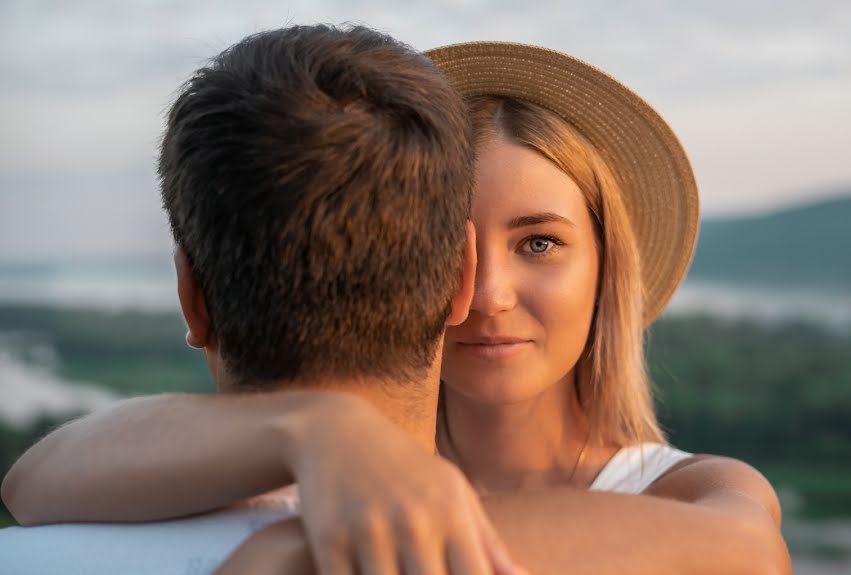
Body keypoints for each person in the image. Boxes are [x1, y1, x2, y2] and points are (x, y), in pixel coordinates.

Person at [2, 41, 791, 575]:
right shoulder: (336, 459)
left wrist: (296, 556)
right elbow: (34, 479)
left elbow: (746, 549)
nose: (489, 294)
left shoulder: (686, 490)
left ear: (606, 266)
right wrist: (313, 426)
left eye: (541, 243)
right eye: (456, 251)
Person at [0, 24, 522, 575]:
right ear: (464, 279)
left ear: (191, 297)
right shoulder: (576, 544)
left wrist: (310, 425)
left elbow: (24, 483)